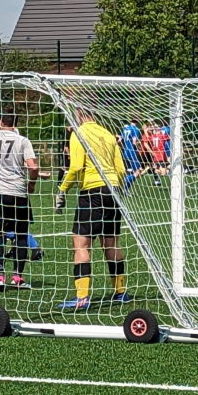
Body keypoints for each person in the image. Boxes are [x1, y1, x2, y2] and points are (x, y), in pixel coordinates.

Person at [56, 114, 130, 310]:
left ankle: (81, 298)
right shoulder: (108, 134)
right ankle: (121, 292)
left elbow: (76, 167)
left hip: (92, 191)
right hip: (113, 190)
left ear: (79, 114)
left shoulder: (79, 133)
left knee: (81, 244)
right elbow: (121, 170)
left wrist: (62, 189)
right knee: (111, 243)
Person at [0, 113, 39, 290]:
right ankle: (17, 277)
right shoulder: (23, 140)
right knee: (20, 235)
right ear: (16, 123)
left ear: (0, 122)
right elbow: (33, 167)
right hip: (17, 192)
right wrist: (31, 184)